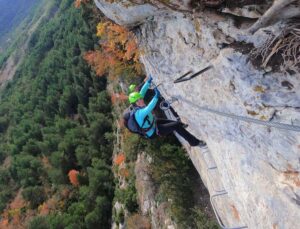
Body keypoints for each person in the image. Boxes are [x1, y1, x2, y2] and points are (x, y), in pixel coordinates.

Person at [124, 76, 206, 147]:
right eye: (139, 99)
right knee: (175, 125)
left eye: (141, 98)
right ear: (136, 103)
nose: (142, 100)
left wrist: (149, 81)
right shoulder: (139, 114)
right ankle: (195, 142)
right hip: (154, 132)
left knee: (175, 124)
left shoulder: (138, 104)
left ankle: (181, 126)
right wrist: (156, 96)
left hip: (154, 122)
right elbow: (149, 108)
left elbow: (143, 91)